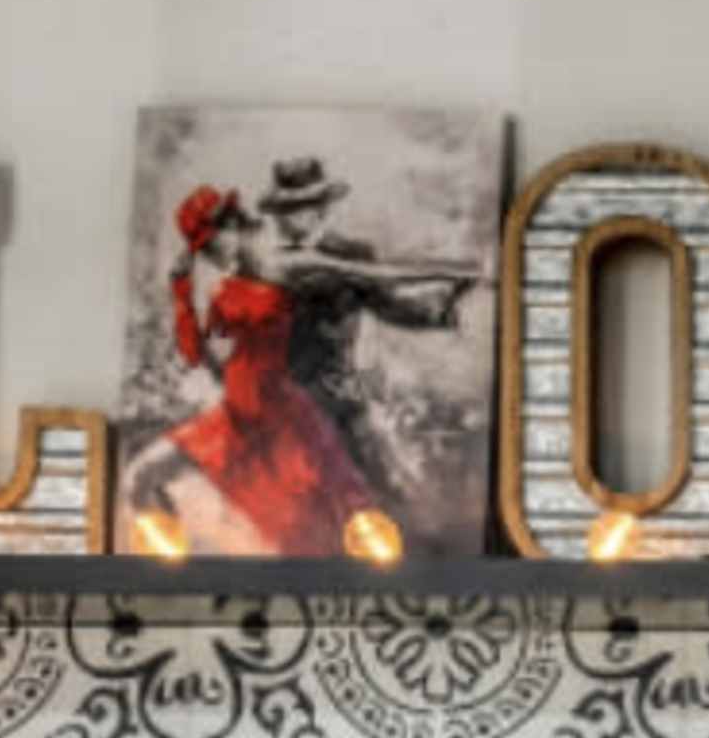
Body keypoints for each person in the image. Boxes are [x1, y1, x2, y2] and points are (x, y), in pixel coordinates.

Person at [117, 185, 382, 555]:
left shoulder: (281, 266)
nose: (211, 255)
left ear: (234, 224)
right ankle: (158, 560)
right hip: (235, 415)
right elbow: (197, 354)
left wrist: (441, 279)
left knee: (310, 525)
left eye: (213, 243)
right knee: (139, 478)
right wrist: (181, 294)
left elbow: (365, 275)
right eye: (204, 251)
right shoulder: (225, 290)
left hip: (284, 414)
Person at [251, 156, 484, 516]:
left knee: (379, 484)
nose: (282, 218)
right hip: (280, 395)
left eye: (293, 208)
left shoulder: (353, 253)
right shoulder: (269, 264)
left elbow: (386, 303)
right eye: (281, 209)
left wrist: (443, 307)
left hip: (335, 390)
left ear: (320, 210)